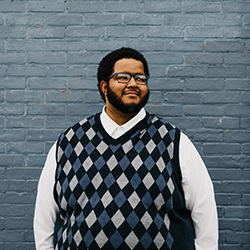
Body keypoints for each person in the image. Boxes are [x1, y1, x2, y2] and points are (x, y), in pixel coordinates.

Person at [34, 47, 218, 250]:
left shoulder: (173, 141)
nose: (133, 84)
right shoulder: (69, 142)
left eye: (140, 78)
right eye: (123, 77)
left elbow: (204, 209)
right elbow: (45, 216)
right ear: (104, 87)